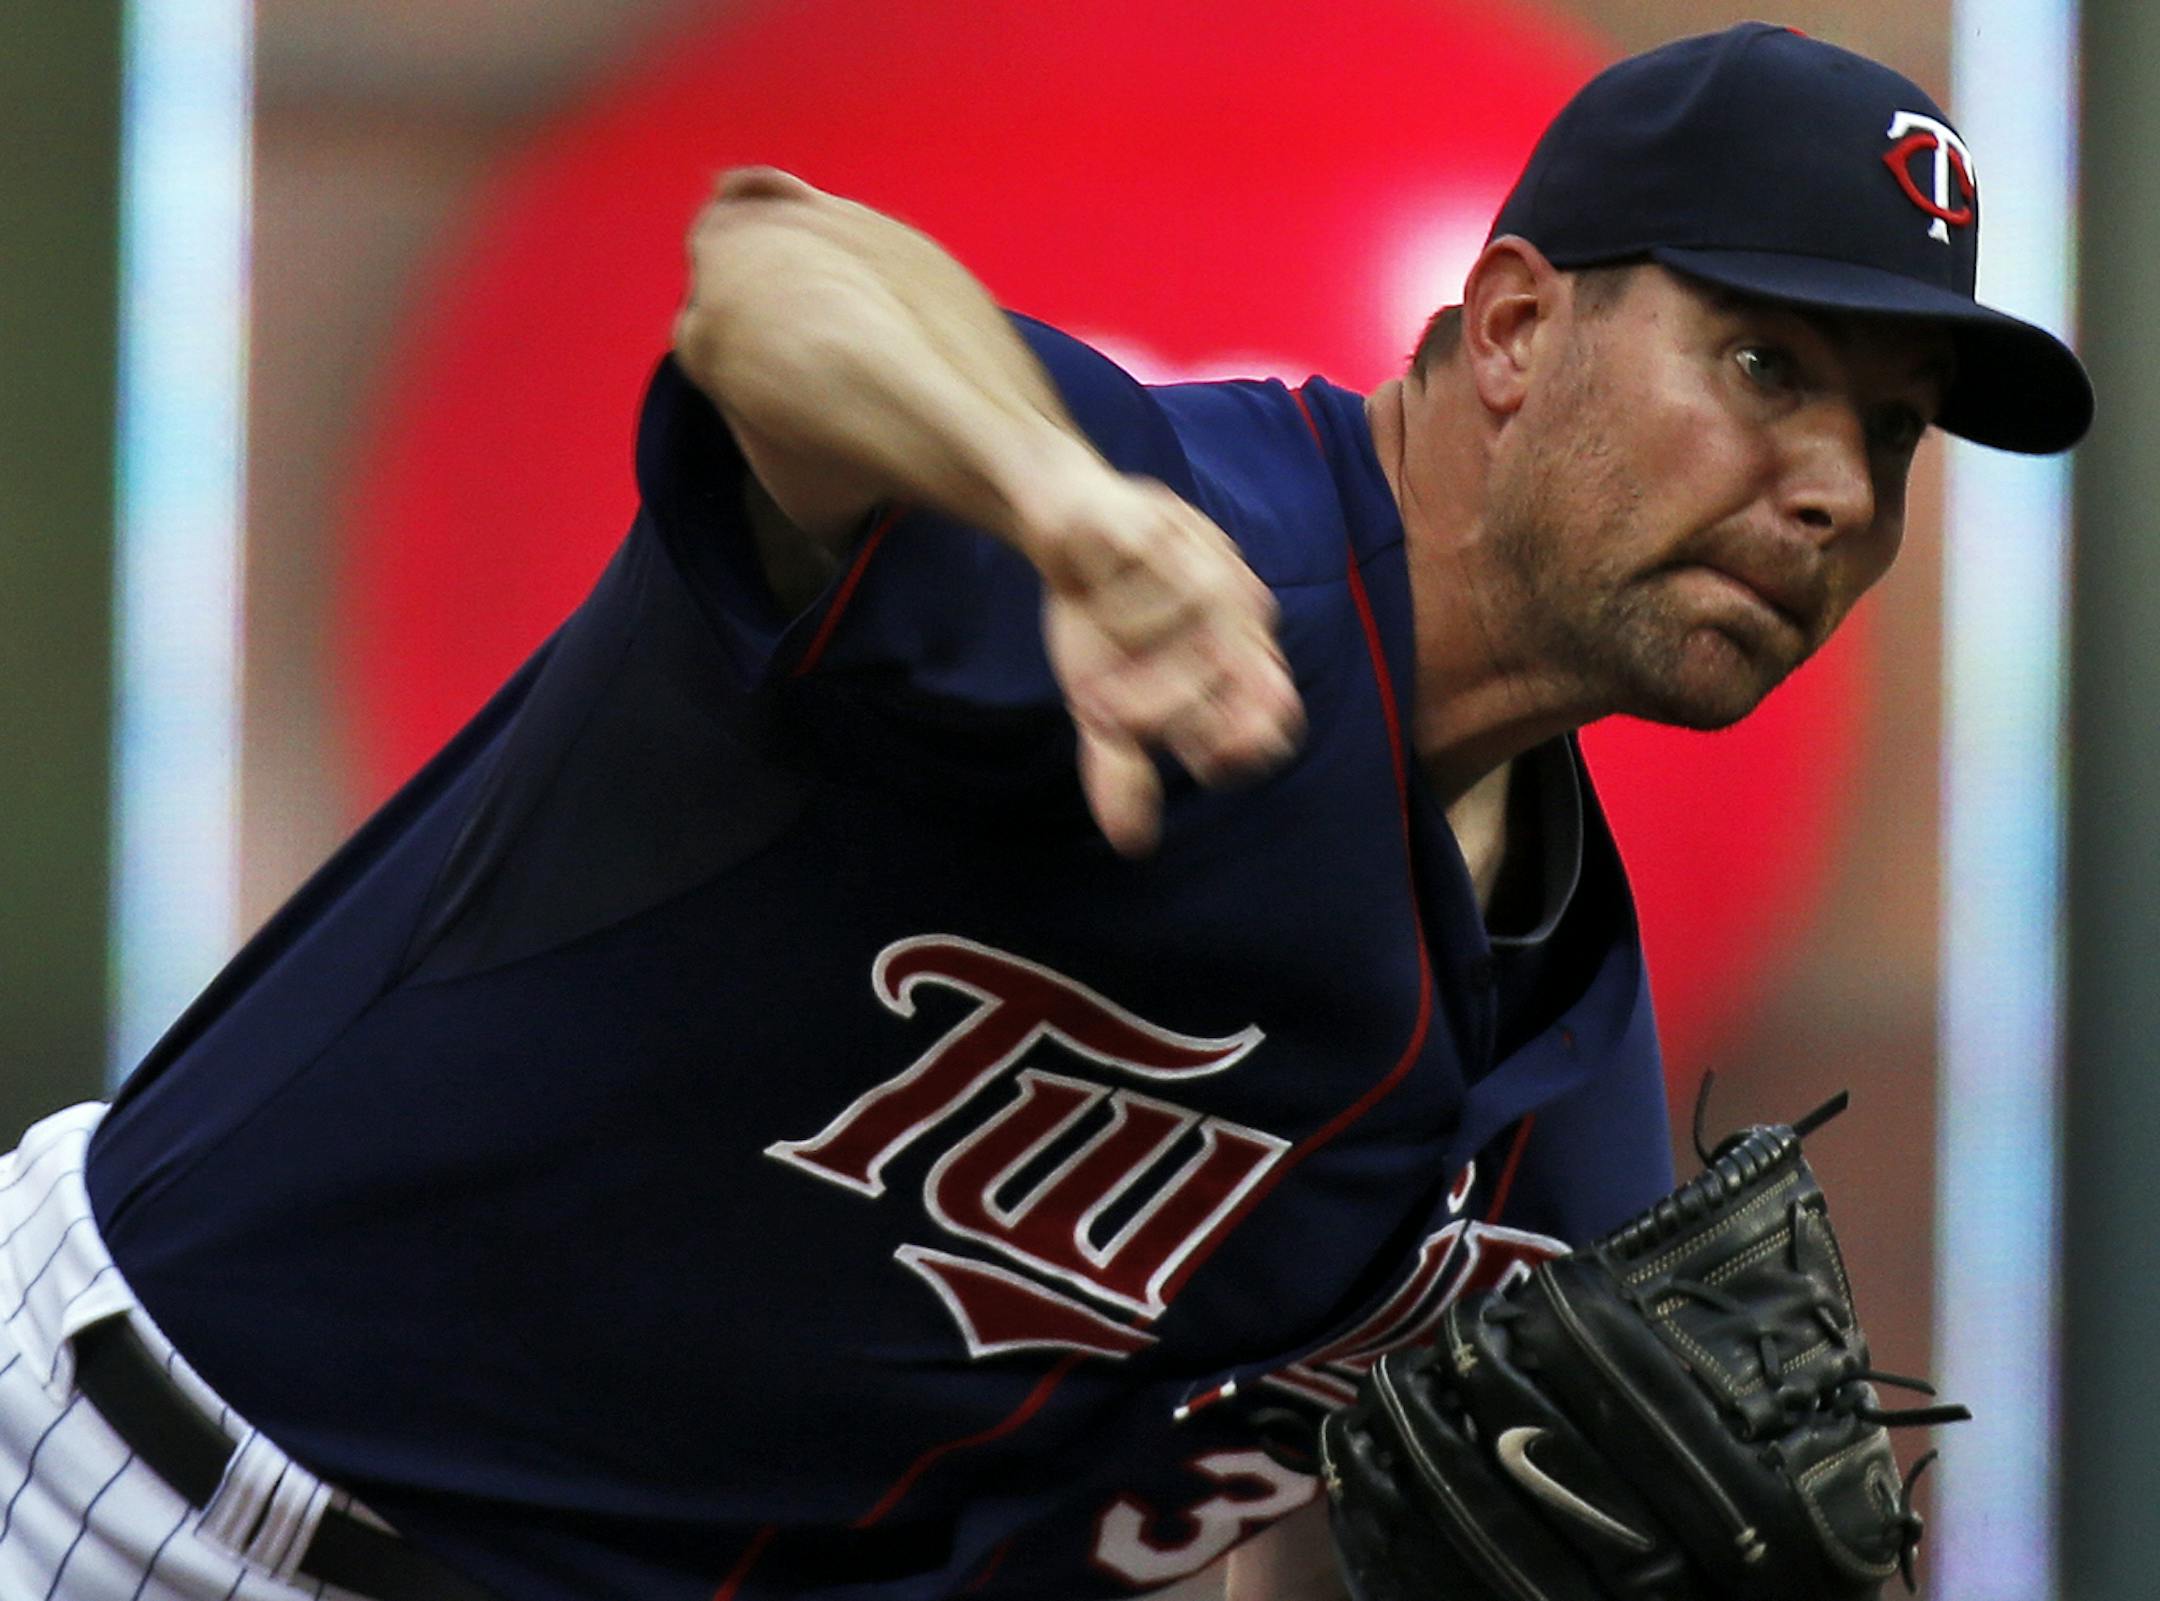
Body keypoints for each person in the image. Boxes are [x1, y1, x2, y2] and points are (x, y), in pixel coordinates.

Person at [0, 20, 2091, 1601]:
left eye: (1891, 439)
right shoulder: (1172, 534)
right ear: (1521, 327)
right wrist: (1056, 504)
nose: (1834, 490)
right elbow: (773, 279)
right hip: (127, 1486)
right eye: (1765, 367)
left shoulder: (1559, 1088)